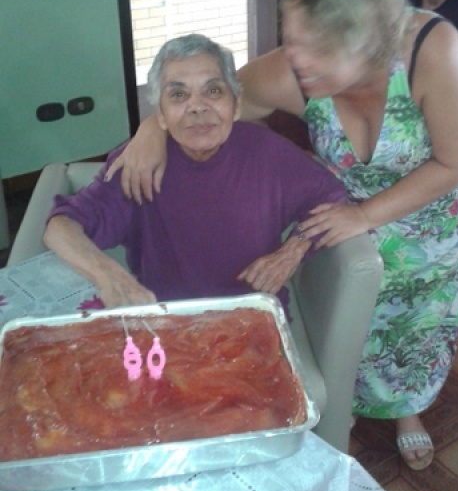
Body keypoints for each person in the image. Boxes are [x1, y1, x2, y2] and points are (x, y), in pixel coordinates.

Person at [105, 0, 458, 471]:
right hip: (337, 213)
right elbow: (212, 103)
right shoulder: (293, 71)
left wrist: (367, 214)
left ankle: (406, 411)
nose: (296, 58)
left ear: (366, 43)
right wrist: (150, 127)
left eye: (316, 47)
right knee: (348, 321)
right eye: (292, 37)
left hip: (432, 221)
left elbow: (455, 162)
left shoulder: (433, 51)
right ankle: (346, 400)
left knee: (416, 327)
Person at [43, 33, 346, 313]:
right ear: (159, 114)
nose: (197, 107)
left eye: (213, 90)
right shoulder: (137, 165)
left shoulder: (269, 153)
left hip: (251, 318)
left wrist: (292, 251)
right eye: (178, 95)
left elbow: (332, 196)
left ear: (236, 104)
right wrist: (108, 276)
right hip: (168, 324)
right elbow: (60, 227)